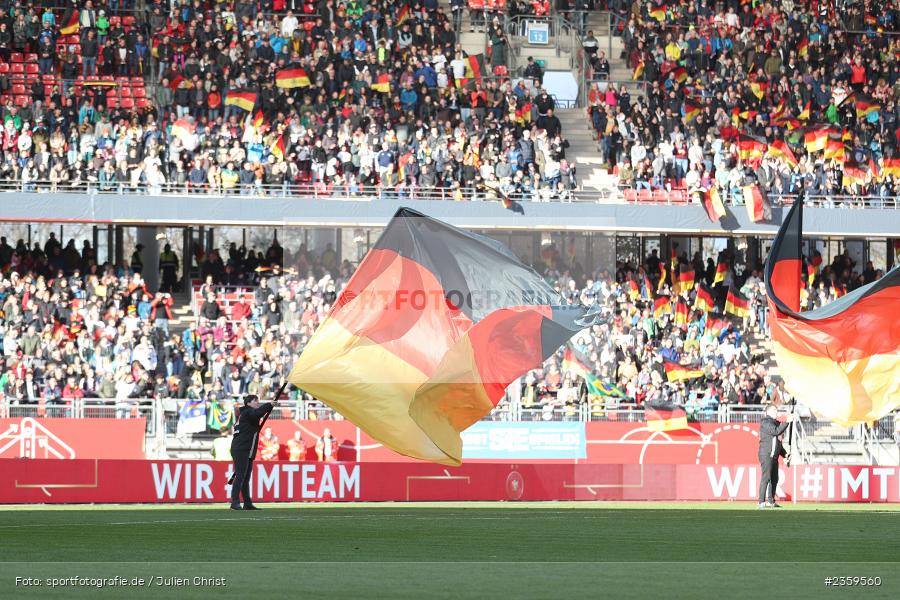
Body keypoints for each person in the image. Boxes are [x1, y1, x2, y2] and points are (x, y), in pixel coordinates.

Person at [230, 394, 276, 510]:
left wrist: (268, 407)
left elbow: (258, 414)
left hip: (247, 448)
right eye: (255, 401)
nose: (257, 402)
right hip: (242, 448)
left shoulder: (246, 414)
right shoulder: (247, 412)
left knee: (245, 477)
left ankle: (247, 502)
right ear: (248, 403)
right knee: (240, 476)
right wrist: (269, 405)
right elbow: (257, 413)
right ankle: (235, 502)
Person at [757, 404, 793, 508]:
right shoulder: (765, 422)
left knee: (774, 478)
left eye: (776, 410)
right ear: (768, 412)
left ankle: (771, 500)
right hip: (766, 454)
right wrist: (787, 421)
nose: (776, 412)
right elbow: (775, 431)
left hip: (774, 455)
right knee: (766, 477)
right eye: (774, 410)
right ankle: (761, 501)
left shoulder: (775, 423)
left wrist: (785, 454)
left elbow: (778, 444)